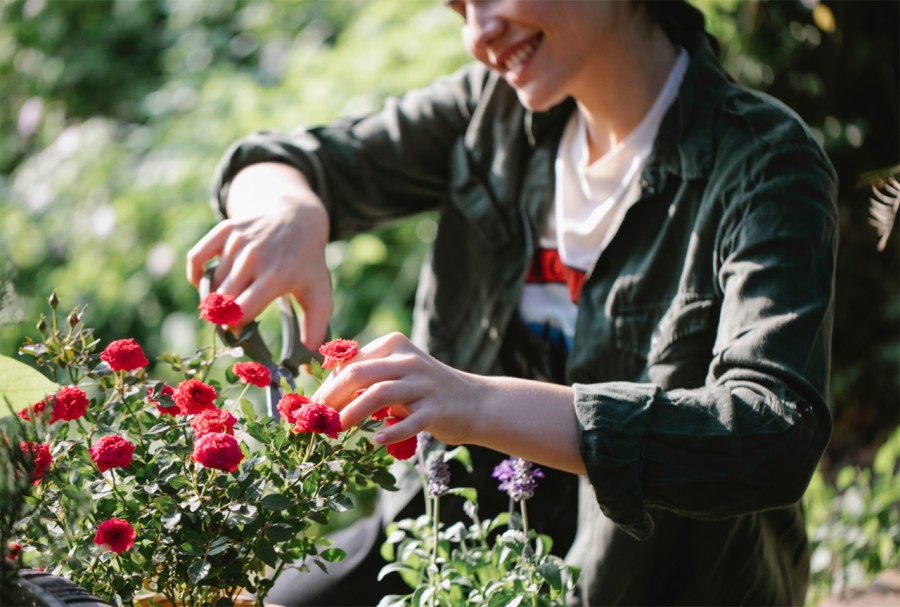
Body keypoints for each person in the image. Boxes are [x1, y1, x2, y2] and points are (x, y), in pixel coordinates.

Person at [187, 0, 838, 604]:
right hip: (444, 544)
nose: (477, 34)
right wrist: (288, 212)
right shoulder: (489, 111)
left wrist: (473, 402)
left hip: (648, 581)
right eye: (459, 8)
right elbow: (284, 160)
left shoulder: (761, 161)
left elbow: (768, 434)